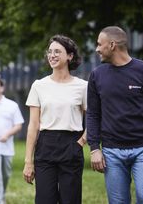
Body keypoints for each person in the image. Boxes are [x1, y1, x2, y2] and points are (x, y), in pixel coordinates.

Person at [87, 26, 143, 204]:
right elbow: (93, 115)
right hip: (111, 151)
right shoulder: (96, 75)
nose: (96, 48)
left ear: (112, 45)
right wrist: (94, 148)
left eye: (99, 44)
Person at [23, 35, 87, 204]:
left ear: (70, 56)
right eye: (50, 51)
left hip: (72, 145)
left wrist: (82, 141)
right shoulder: (38, 85)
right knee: (44, 200)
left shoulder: (82, 86)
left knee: (70, 200)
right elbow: (33, 125)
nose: (52, 55)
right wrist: (28, 161)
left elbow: (93, 118)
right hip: (45, 145)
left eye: (58, 51)